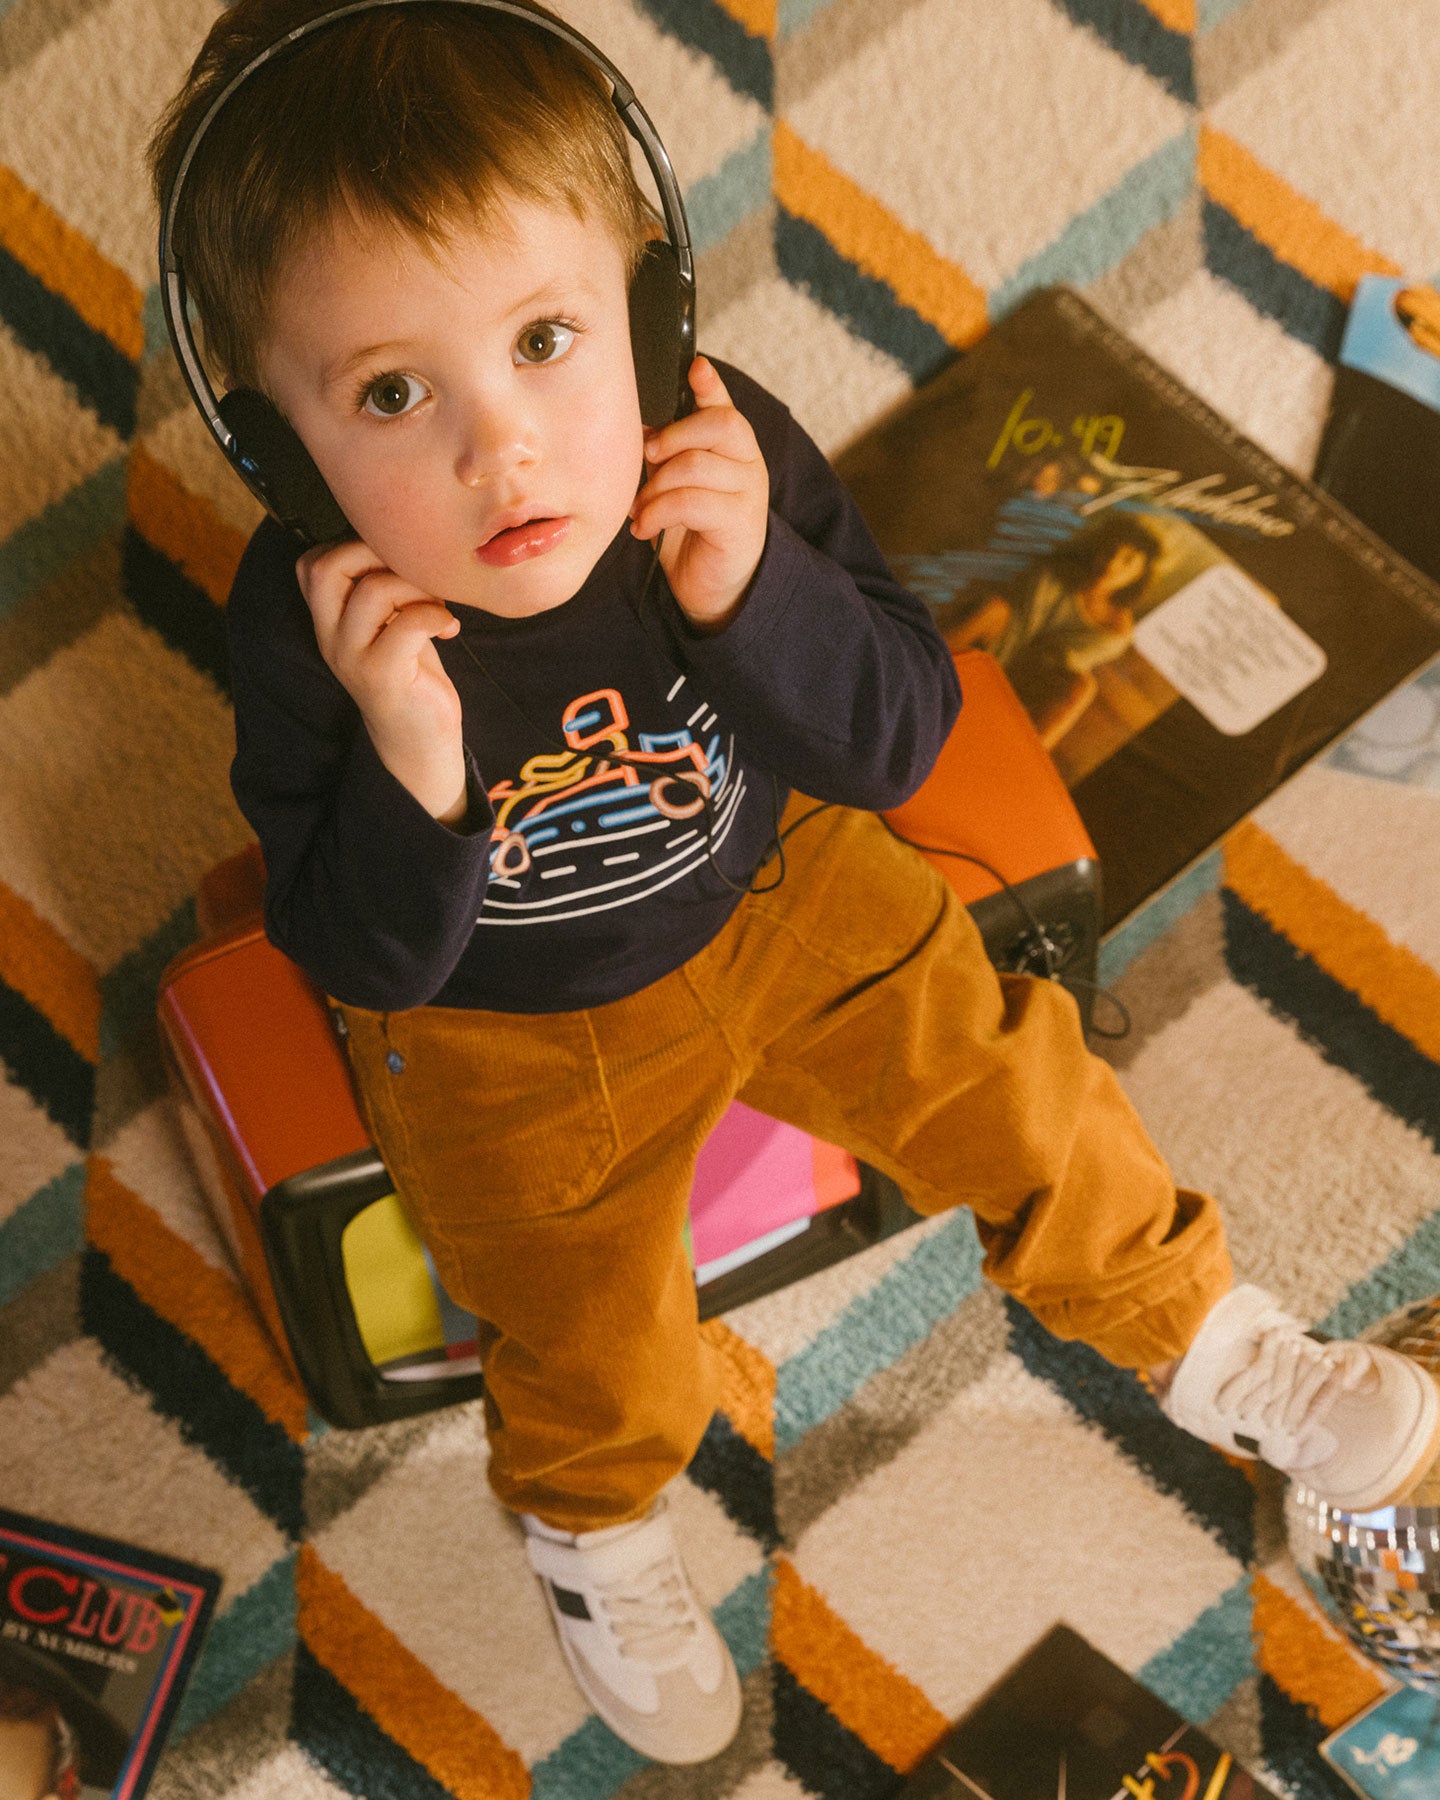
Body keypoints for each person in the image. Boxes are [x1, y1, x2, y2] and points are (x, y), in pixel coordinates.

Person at [151, 0, 1440, 1766]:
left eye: (546, 339)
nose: (500, 448)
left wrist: (755, 586)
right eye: (392, 393)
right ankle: (593, 1524)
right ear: (282, 449)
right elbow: (357, 952)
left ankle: (1205, 1336)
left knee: (1023, 1079)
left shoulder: (713, 444)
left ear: (654, 308)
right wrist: (411, 754)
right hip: (510, 1036)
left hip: (787, 893)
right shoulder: (315, 621)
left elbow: (902, 738)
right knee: (590, 1330)